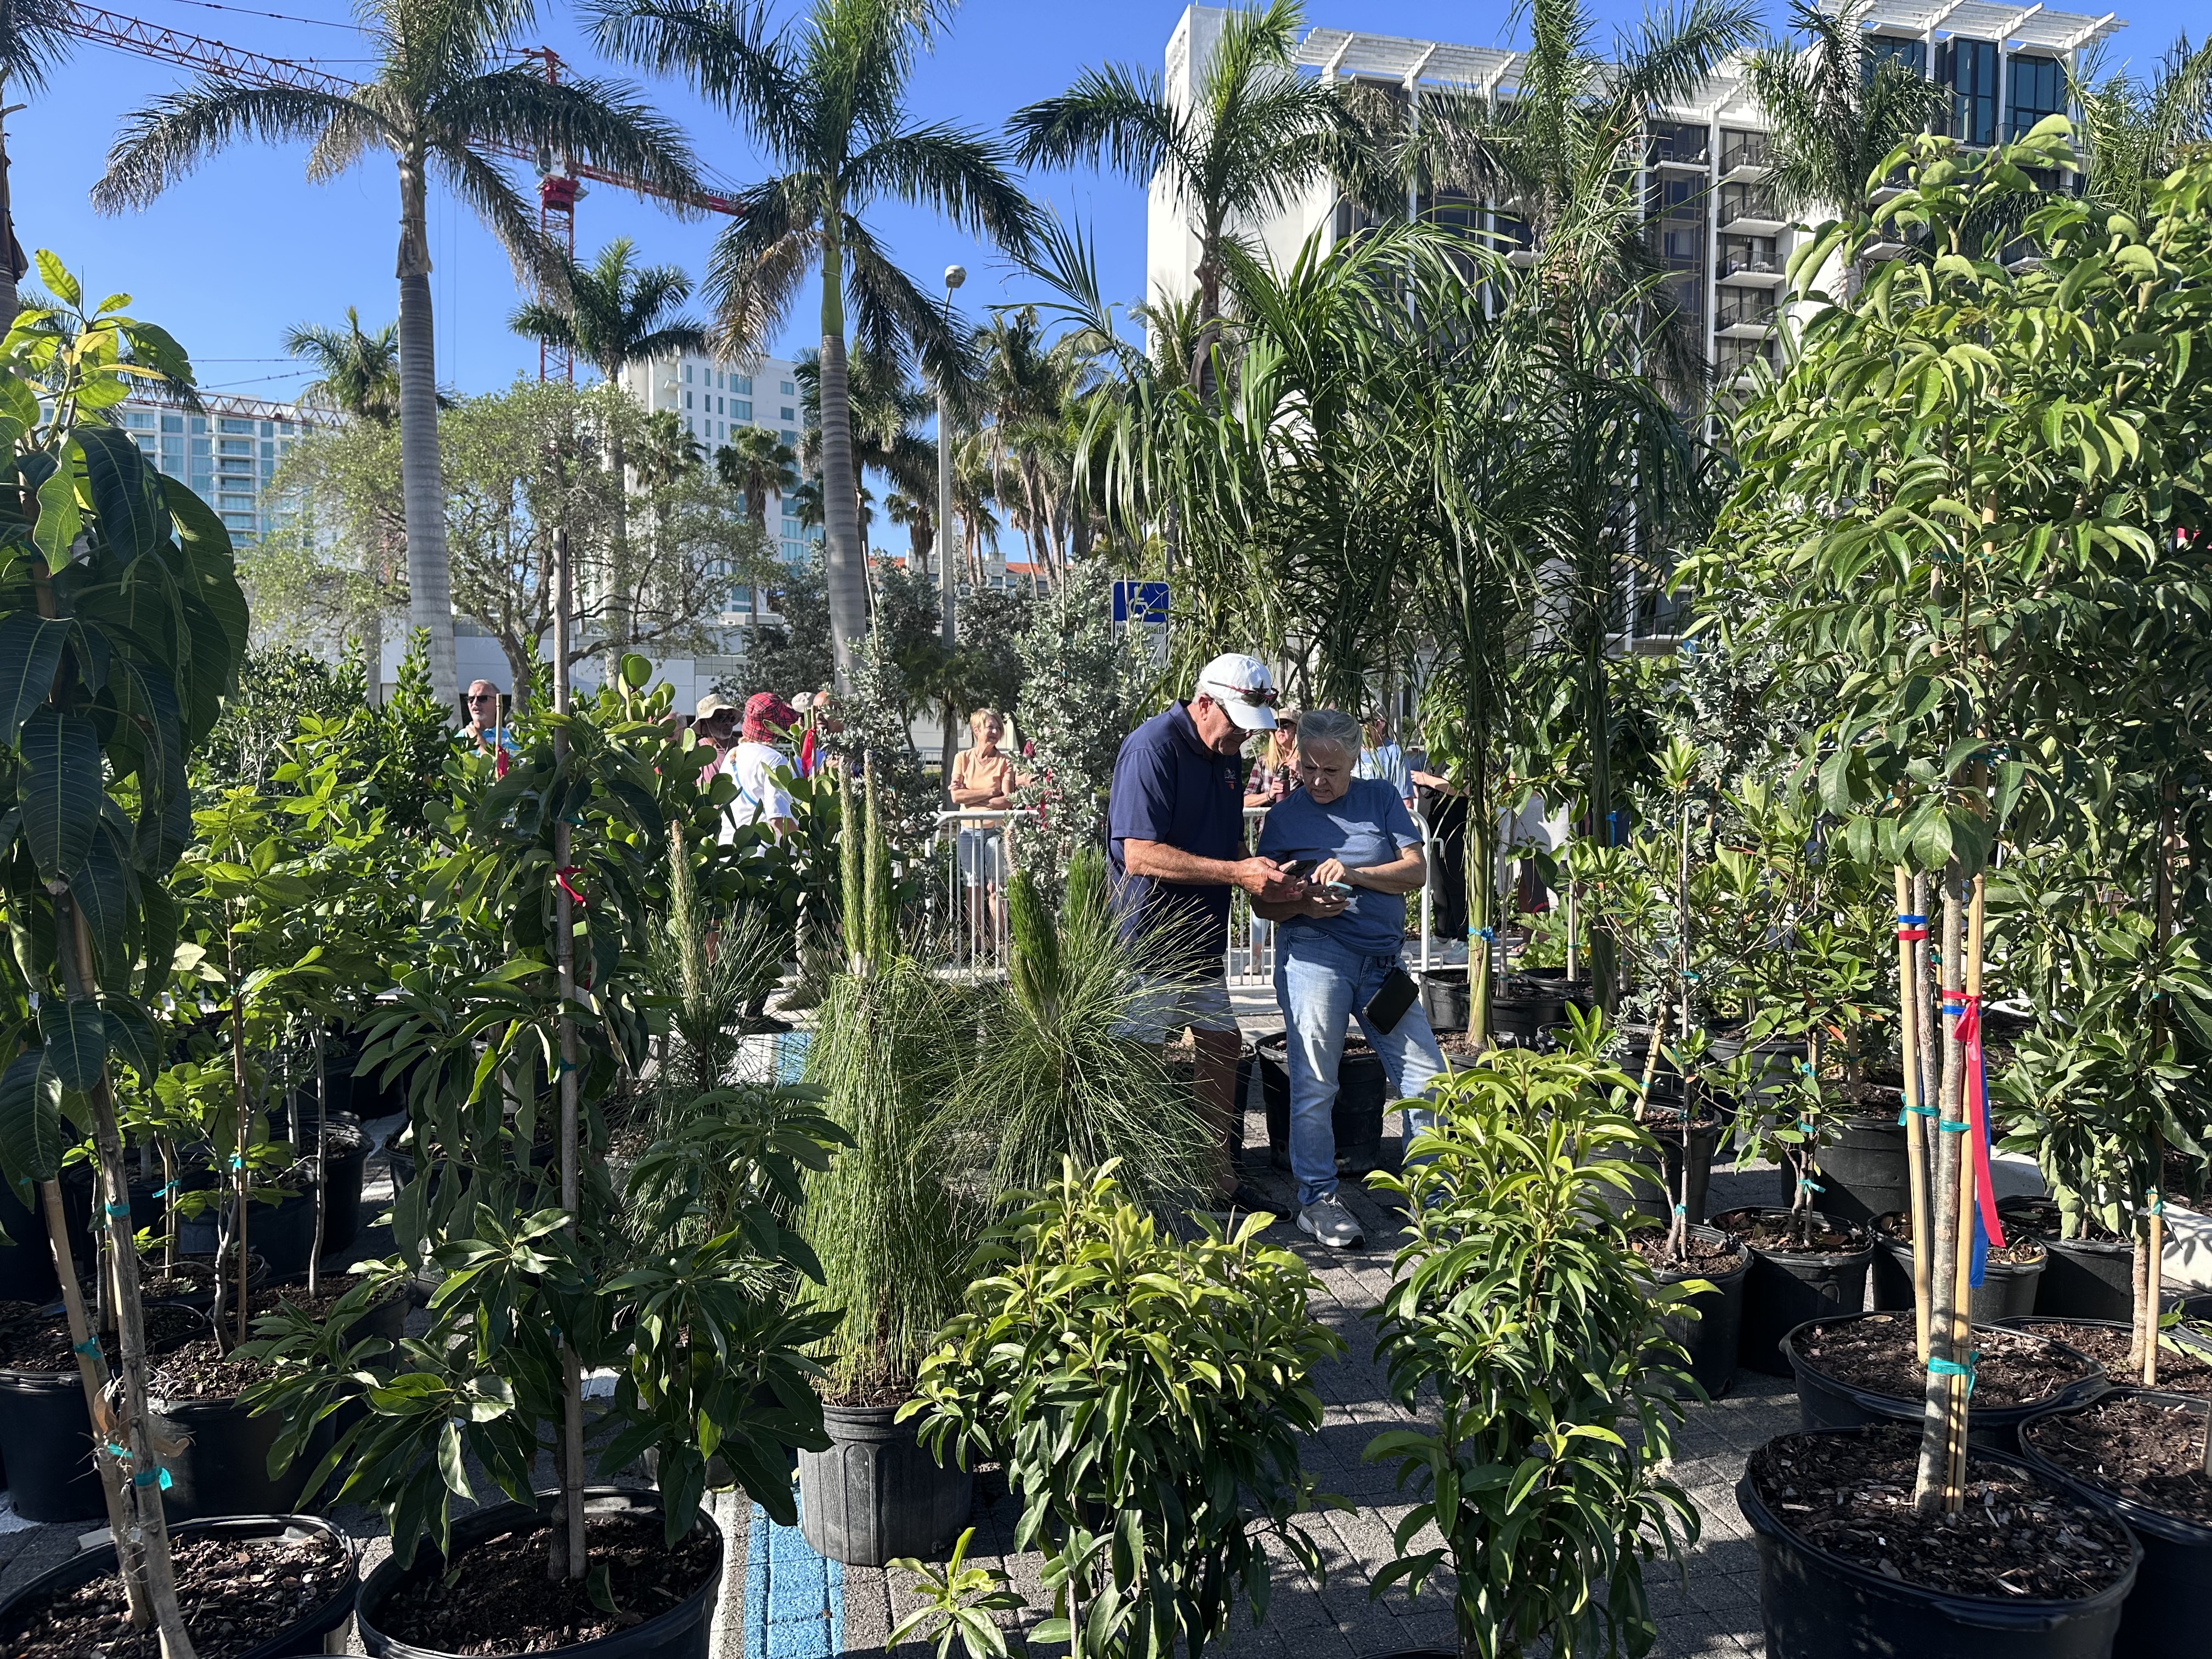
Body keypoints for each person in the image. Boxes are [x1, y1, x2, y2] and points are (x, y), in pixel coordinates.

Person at [1109, 653, 1305, 1221]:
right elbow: (1139, 854)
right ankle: (1127, 1188)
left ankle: (1215, 1178)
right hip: (1145, 938)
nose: (1245, 736)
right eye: (1238, 721)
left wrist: (1264, 880)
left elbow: (1227, 848)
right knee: (1138, 1060)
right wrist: (1236, 874)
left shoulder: (1226, 755)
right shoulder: (1152, 747)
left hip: (1199, 935)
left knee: (1222, 1045)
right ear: (1202, 703)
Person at [1253, 707, 1447, 1250]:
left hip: (1384, 964)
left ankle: (1436, 1201)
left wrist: (1356, 875)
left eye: (1331, 771)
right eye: (1307, 769)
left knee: (1428, 1080)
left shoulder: (1381, 798)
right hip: (1317, 957)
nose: (1317, 781)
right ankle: (1318, 1200)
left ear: (1355, 762)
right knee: (1316, 1083)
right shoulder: (1284, 817)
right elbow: (1264, 907)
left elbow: (1416, 871)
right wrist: (1301, 905)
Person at [948, 707, 1019, 949]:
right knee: (973, 886)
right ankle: (976, 944)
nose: (995, 731)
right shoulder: (962, 758)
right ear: (977, 730)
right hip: (969, 831)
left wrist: (972, 797)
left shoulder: (1005, 762)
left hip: (997, 832)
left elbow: (1008, 800)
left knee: (996, 887)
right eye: (991, 727)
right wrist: (990, 792)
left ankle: (998, 943)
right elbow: (956, 797)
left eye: (998, 727)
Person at [723, 692, 800, 843]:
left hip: (729, 850)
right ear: (776, 728)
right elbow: (778, 818)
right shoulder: (774, 759)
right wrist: (808, 848)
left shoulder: (732, 755)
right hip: (764, 855)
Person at [1243, 706, 1301, 809]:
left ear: (1296, 729)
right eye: (1276, 726)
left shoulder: (1308, 760)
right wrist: (1269, 795)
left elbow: (1321, 790)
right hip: (1269, 822)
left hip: (1300, 822)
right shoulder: (1263, 761)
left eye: (1285, 725)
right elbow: (1245, 801)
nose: (1279, 729)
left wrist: (1302, 771)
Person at [460, 680, 516, 758]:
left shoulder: (511, 738)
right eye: (471, 699)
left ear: (497, 702)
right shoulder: (459, 737)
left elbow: (507, 768)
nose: (475, 703)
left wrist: (479, 741)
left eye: (482, 698)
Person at [693, 693, 738, 791]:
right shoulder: (696, 751)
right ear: (705, 722)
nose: (728, 723)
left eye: (731, 718)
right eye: (721, 718)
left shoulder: (741, 748)